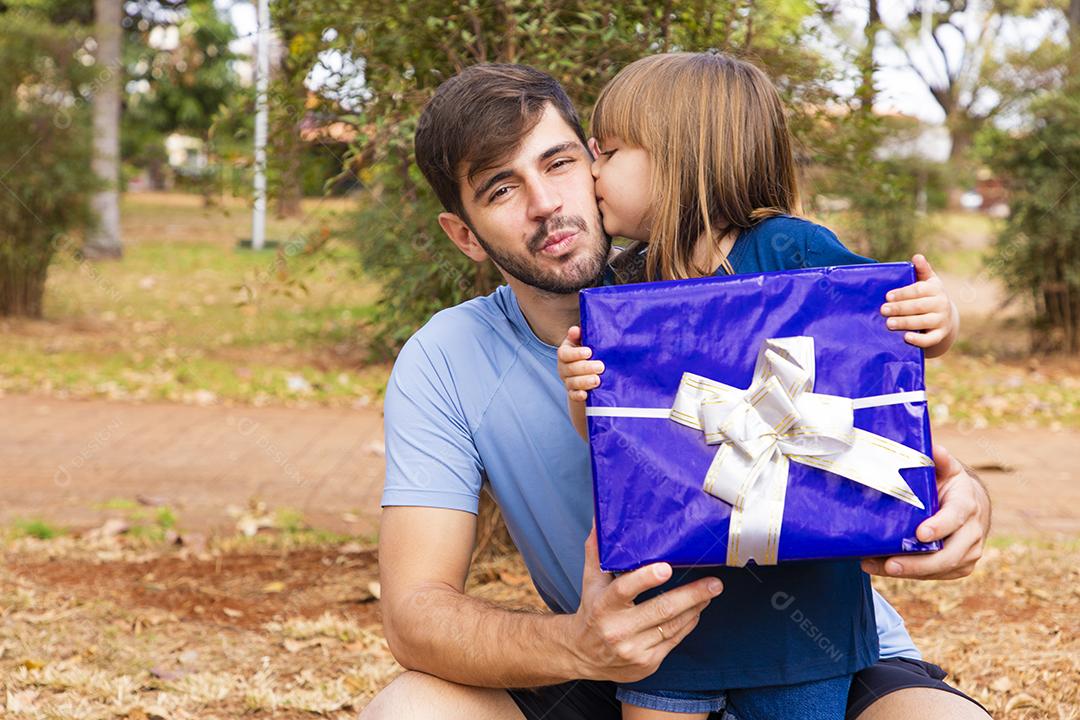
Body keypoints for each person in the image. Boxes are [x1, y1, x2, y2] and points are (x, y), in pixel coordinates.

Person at [362, 62, 991, 720]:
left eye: (561, 163)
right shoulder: (446, 359)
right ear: (465, 234)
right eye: (501, 189)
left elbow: (863, 384)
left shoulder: (756, 273)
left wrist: (962, 498)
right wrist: (578, 646)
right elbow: (414, 614)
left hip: (821, 646)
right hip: (622, 659)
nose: (545, 203)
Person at [553, 52, 962, 720]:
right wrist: (581, 391)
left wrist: (938, 320)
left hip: (805, 620)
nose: (592, 171)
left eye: (612, 151)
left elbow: (888, 329)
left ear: (681, 157)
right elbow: (606, 440)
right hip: (671, 609)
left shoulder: (791, 251)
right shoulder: (623, 287)